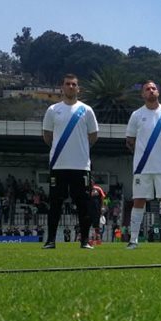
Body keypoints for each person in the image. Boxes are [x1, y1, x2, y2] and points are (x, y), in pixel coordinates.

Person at [41, 73, 99, 250]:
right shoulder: (52, 110)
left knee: (84, 204)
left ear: (78, 88)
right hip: (58, 165)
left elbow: (93, 135)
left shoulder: (87, 110)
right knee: (55, 204)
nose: (71, 87)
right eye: (68, 84)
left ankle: (84, 241)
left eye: (74, 84)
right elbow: (47, 135)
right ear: (62, 87)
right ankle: (50, 240)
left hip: (81, 166)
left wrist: (79, 149)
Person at [124, 81, 161, 250]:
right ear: (142, 94)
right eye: (147, 89)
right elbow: (130, 140)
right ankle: (133, 240)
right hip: (142, 167)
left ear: (158, 92)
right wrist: (143, 155)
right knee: (138, 202)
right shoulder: (136, 115)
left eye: (153, 88)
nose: (151, 91)